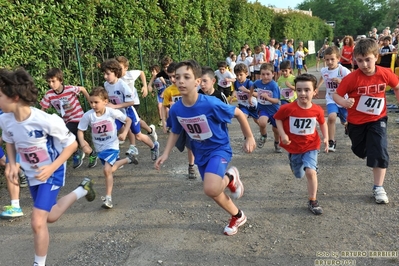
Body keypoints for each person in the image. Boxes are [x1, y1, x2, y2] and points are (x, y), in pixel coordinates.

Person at [0, 68, 96, 266]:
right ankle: (81, 189)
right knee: (50, 216)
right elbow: (9, 140)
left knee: (37, 221)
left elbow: (72, 145)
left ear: (14, 97)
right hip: (33, 173)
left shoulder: (46, 120)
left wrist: (52, 168)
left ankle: (39, 264)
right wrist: (11, 163)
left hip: (52, 172)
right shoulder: (5, 119)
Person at [154, 60, 256, 236]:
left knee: (210, 188)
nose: (180, 81)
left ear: (197, 82)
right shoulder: (177, 109)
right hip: (199, 152)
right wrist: (165, 153)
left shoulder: (210, 103)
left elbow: (238, 113)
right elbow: (176, 131)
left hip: (219, 149)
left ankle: (231, 176)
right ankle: (237, 215)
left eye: (186, 77)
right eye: (177, 78)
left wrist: (249, 136)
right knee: (214, 192)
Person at [333, 38, 399, 204]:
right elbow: (336, 95)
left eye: (367, 60)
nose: (364, 64)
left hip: (378, 119)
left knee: (379, 150)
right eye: (360, 61)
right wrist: (344, 102)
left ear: (376, 57)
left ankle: (378, 187)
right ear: (355, 60)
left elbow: (397, 86)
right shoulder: (352, 78)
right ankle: (364, 145)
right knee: (360, 150)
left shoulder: (384, 73)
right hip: (356, 122)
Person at [274, 73, 328, 215]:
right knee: (299, 174)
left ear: (314, 91)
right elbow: (278, 119)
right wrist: (283, 134)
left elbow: (323, 123)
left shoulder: (317, 110)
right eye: (299, 90)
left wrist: (327, 138)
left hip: (311, 145)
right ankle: (298, 164)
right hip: (294, 147)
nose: (302, 93)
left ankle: (313, 200)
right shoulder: (288, 108)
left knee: (310, 172)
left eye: (307, 90)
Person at [77, 87, 136, 209]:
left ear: (105, 101)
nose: (93, 105)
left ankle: (108, 199)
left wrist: (124, 133)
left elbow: (128, 120)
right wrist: (83, 144)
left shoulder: (111, 112)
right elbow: (80, 131)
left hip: (112, 145)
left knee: (106, 170)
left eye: (96, 102)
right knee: (110, 169)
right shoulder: (88, 116)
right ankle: (128, 160)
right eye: (91, 102)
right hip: (100, 148)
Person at [101, 59, 159, 162]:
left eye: (108, 74)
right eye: (104, 74)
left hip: (129, 113)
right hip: (118, 114)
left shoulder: (122, 85)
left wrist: (116, 106)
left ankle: (153, 146)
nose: (105, 76)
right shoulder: (106, 84)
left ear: (115, 73)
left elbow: (131, 102)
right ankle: (116, 157)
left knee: (138, 136)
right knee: (111, 132)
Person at [40, 68, 97, 169]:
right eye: (49, 82)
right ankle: (91, 153)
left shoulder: (69, 89)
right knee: (80, 141)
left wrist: (91, 103)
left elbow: (83, 89)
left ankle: (77, 152)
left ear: (60, 80)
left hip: (78, 117)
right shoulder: (49, 94)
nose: (51, 84)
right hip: (66, 120)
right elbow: (43, 108)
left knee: (65, 135)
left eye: (54, 81)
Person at [115, 56, 158, 158]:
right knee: (132, 123)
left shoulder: (130, 74)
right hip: (121, 106)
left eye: (120, 68)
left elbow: (141, 72)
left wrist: (144, 86)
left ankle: (145, 136)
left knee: (133, 124)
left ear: (126, 68)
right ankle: (146, 133)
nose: (118, 70)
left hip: (133, 103)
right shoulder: (114, 79)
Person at [162, 62, 196, 179]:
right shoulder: (168, 91)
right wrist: (164, 122)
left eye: (174, 76)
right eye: (171, 77)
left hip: (190, 120)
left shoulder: (188, 87)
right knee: (180, 144)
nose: (173, 80)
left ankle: (191, 166)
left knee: (191, 145)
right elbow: (164, 106)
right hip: (177, 122)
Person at [316, 46, 351, 152]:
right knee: (331, 117)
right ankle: (331, 141)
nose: (330, 62)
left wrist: (341, 82)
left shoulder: (344, 71)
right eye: (327, 60)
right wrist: (317, 87)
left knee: (345, 121)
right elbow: (323, 76)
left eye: (332, 59)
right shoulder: (324, 70)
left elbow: (350, 84)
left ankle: (346, 125)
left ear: (338, 59)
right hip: (331, 98)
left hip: (343, 100)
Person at [249, 63, 281, 153]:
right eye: (263, 74)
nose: (265, 77)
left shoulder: (274, 85)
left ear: (273, 74)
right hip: (263, 108)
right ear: (260, 74)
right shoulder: (258, 82)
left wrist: (267, 98)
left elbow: (276, 100)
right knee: (262, 123)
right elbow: (252, 86)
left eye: (268, 74)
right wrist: (250, 97)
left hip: (274, 110)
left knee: (276, 129)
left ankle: (277, 142)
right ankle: (263, 136)